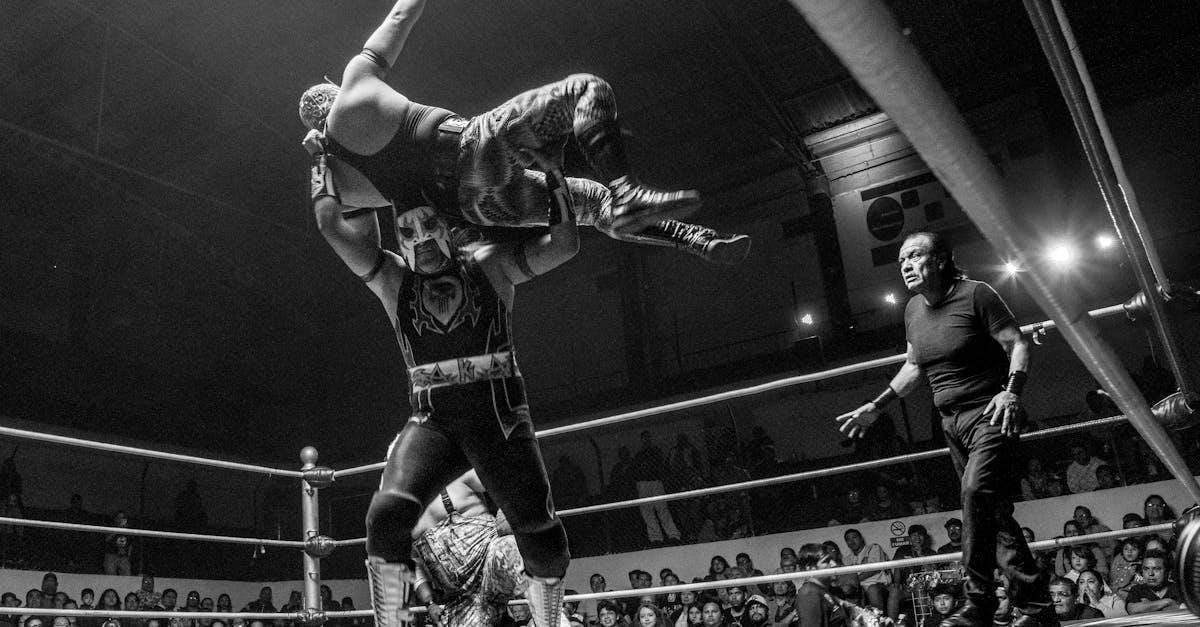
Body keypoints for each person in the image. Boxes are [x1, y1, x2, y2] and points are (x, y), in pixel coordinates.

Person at [314, 127, 579, 627]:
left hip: (498, 413)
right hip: (433, 417)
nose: (420, 241)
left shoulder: (490, 265)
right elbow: (333, 224)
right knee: (385, 516)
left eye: (427, 226)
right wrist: (334, 157)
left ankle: (550, 622)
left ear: (449, 226)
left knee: (539, 533)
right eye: (407, 232)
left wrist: (554, 175)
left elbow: (564, 245)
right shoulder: (393, 281)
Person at [298, 0, 751, 265]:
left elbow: (370, 254)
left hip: (478, 208)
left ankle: (696, 239)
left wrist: (324, 166)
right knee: (585, 90)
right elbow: (399, 18)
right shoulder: (356, 82)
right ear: (333, 93)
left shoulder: (337, 181)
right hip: (472, 151)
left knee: (588, 205)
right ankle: (628, 189)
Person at [836, 232, 1050, 627]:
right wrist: (876, 406)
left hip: (989, 412)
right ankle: (1038, 610)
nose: (905, 265)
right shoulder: (913, 310)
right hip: (950, 423)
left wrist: (1011, 392)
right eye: (901, 259)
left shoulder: (976, 294)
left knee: (974, 494)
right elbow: (914, 366)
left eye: (914, 256)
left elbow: (1017, 343)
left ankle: (978, 603)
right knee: (993, 515)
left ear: (940, 260)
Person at [410, 469, 560, 627]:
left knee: (512, 550)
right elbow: (415, 567)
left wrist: (511, 512)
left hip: (490, 563)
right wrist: (430, 604)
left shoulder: (456, 477)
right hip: (462, 599)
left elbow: (508, 477)